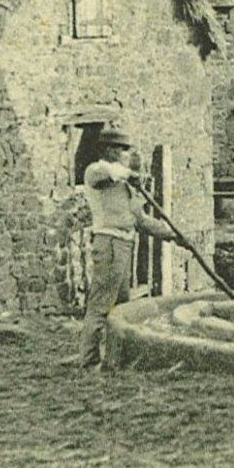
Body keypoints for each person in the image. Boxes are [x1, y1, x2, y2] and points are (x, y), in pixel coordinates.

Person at [71, 128, 178, 370]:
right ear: (106, 150)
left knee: (121, 307)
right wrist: (129, 174)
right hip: (108, 243)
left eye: (125, 150)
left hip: (123, 246)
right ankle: (88, 361)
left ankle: (113, 357)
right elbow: (107, 174)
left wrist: (173, 235)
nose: (123, 154)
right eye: (119, 149)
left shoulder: (126, 186)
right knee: (100, 305)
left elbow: (140, 220)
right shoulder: (96, 171)